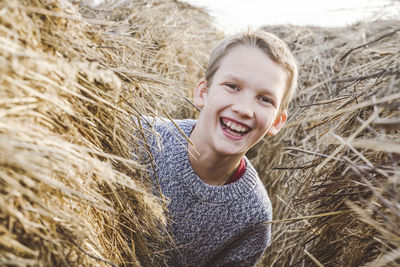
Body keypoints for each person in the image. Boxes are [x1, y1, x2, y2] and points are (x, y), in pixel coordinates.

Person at [134, 29, 298, 267]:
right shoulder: (141, 136)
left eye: (264, 99)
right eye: (232, 86)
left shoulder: (253, 216)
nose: (243, 109)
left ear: (276, 122)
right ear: (202, 92)